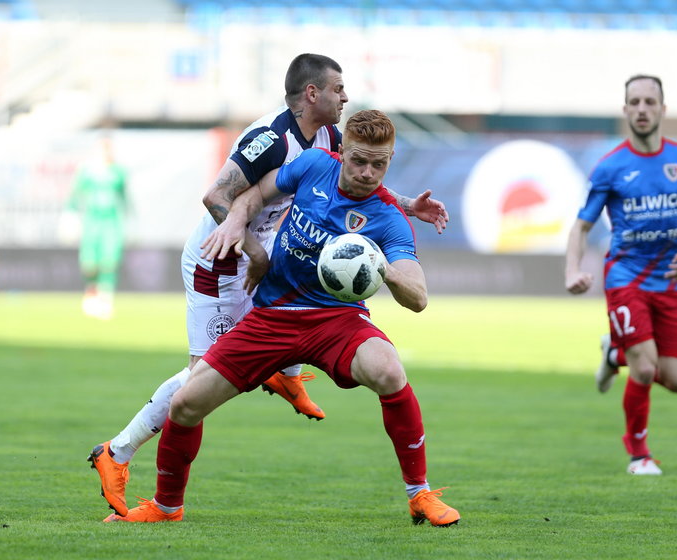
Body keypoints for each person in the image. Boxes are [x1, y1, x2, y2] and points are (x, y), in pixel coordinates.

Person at [87, 54, 449, 517]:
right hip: (222, 259)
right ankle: (118, 452)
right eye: (339, 88)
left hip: (289, 284)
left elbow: (361, 172)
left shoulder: (328, 139)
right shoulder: (272, 141)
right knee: (196, 383)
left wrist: (403, 208)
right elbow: (219, 196)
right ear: (312, 93)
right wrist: (254, 253)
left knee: (378, 363)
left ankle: (286, 371)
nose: (346, 96)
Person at [565, 75, 677, 475]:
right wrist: (573, 270)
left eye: (649, 102)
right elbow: (582, 226)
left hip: (670, 280)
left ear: (662, 109)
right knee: (647, 368)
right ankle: (639, 454)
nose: (642, 109)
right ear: (625, 110)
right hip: (626, 277)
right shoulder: (611, 166)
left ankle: (615, 351)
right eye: (634, 102)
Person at [67, 135, 128, 320]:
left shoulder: (118, 172)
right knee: (89, 263)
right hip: (92, 221)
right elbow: (75, 197)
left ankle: (105, 299)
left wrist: (130, 223)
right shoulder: (86, 171)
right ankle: (91, 293)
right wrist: (70, 218)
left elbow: (125, 199)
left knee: (109, 261)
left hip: (111, 222)